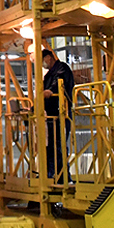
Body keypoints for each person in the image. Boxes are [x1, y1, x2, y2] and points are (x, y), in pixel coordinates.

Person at [41, 48, 74, 181]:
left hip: (61, 113)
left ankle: (63, 178)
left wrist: (50, 91)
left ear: (49, 57)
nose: (43, 64)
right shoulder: (48, 75)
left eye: (42, 60)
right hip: (51, 115)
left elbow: (60, 84)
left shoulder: (62, 69)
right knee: (51, 147)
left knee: (59, 146)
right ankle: (53, 176)